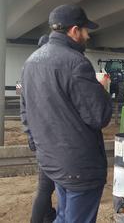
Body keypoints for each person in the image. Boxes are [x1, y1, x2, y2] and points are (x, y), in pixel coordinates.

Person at [20, 4, 112, 223]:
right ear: (73, 31)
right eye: (85, 30)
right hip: (79, 164)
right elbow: (99, 116)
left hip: (52, 160)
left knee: (63, 216)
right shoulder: (76, 63)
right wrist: (100, 87)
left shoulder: (31, 61)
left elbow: (26, 110)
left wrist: (37, 144)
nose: (88, 35)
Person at [25, 34, 56, 223]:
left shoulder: (30, 69)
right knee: (46, 186)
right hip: (50, 139)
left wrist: (30, 134)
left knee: (46, 185)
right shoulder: (49, 72)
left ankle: (47, 214)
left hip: (39, 136)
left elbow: (25, 107)